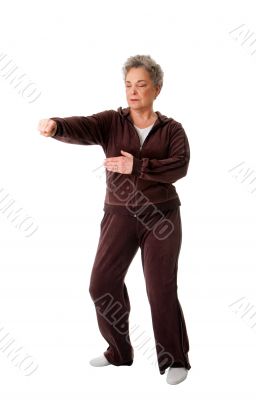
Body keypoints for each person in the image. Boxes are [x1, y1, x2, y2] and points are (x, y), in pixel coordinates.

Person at [38, 54, 191, 385]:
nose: (133, 92)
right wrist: (57, 125)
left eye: (141, 85)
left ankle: (175, 358)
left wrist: (137, 166)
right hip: (119, 215)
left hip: (161, 217)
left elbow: (180, 167)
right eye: (128, 85)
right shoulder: (111, 121)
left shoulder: (172, 130)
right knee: (101, 284)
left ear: (157, 88)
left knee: (160, 288)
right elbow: (83, 126)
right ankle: (118, 352)